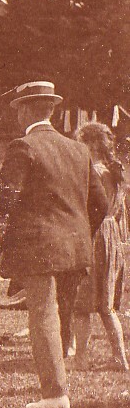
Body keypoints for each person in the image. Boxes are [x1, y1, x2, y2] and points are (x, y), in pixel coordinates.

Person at [0, 81, 107, 408]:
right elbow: (102, 203)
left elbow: (5, 199)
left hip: (40, 247)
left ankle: (54, 394)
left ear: (24, 110)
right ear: (51, 110)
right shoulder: (79, 150)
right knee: (61, 313)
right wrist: (80, 232)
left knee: (43, 314)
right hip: (76, 247)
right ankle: (56, 382)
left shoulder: (23, 146)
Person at [70, 123, 128, 371]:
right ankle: (120, 359)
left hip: (94, 234)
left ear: (90, 144)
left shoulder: (94, 172)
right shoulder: (113, 171)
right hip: (110, 235)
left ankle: (81, 359)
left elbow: (90, 207)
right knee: (107, 305)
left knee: (82, 305)